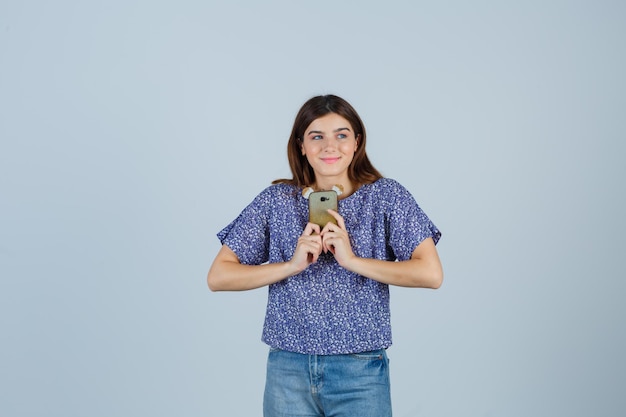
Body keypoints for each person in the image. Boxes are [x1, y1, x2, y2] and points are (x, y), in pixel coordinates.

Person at [207, 94, 443, 417]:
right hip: (287, 370)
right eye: (317, 136)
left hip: (359, 371)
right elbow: (218, 276)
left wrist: (352, 261)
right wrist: (291, 266)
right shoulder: (276, 201)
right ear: (301, 145)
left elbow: (431, 273)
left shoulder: (387, 197)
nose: (329, 147)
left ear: (357, 143)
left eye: (341, 135)